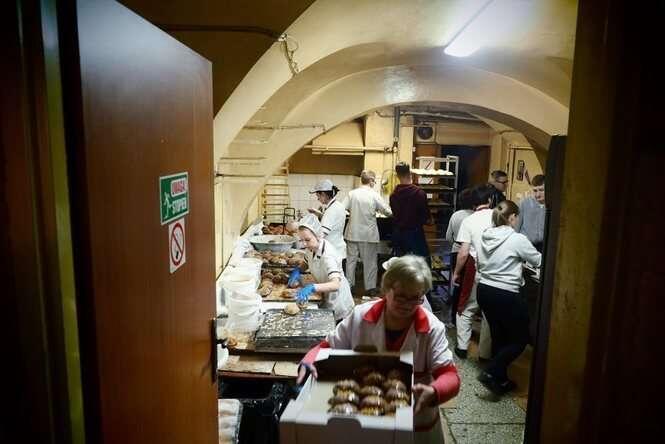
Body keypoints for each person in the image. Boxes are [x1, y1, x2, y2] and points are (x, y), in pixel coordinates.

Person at [297, 255, 460, 443]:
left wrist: (435, 391)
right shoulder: (361, 316)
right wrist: (309, 360)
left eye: (415, 298)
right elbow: (326, 346)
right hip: (365, 413)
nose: (407, 305)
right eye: (400, 297)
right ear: (386, 289)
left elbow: (450, 375)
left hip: (415, 419)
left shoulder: (431, 328)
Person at [476, 200, 542, 395]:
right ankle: (491, 371)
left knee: (499, 336)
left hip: (484, 290)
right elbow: (538, 260)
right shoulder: (516, 239)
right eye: (517, 217)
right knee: (520, 339)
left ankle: (501, 380)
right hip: (505, 292)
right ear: (512, 217)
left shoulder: (485, 236)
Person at [451, 185, 494, 360]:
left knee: (467, 307)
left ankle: (462, 347)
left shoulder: (469, 221)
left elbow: (463, 253)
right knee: (489, 313)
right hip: (495, 271)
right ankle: (485, 353)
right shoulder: (498, 217)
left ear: (473, 202)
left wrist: (456, 273)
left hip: (475, 269)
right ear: (490, 200)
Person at [291, 214, 354, 322]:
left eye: (307, 240)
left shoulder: (328, 255)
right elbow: (306, 262)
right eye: (301, 240)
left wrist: (312, 287)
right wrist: (298, 270)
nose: (304, 244)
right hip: (325, 293)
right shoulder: (311, 248)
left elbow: (336, 284)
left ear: (318, 236)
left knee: (334, 329)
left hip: (338, 302)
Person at [343, 170, 392, 295]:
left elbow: (342, 209)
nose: (374, 183)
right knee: (370, 263)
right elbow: (387, 212)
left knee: (350, 262)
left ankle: (349, 286)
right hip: (368, 235)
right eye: (374, 181)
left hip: (352, 233)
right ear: (371, 181)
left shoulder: (352, 194)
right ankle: (370, 289)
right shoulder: (374, 195)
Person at [444, 188, 474, 323]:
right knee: (468, 287)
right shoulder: (475, 216)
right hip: (471, 253)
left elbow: (448, 236)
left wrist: (457, 244)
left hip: (456, 250)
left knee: (457, 284)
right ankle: (464, 316)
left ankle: (453, 318)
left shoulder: (455, 215)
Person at [389, 162, 431, 260]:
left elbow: (395, 214)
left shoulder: (393, 195)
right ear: (410, 174)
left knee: (402, 265)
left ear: (397, 176)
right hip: (415, 235)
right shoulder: (419, 193)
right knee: (420, 264)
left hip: (399, 235)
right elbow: (426, 218)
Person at [309, 179, 347, 267]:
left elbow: (321, 235)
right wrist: (319, 214)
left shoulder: (331, 210)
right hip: (338, 250)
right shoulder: (338, 205)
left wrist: (308, 237)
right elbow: (332, 222)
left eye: (318, 196)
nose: (318, 199)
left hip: (332, 254)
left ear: (323, 194)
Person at [516, 174, 546, 251]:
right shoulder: (524, 203)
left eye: (541, 190)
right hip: (525, 245)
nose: (538, 194)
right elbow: (517, 225)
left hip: (544, 247)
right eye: (535, 191)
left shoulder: (552, 205)